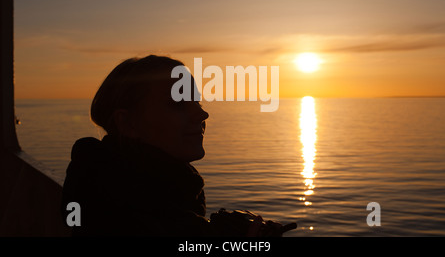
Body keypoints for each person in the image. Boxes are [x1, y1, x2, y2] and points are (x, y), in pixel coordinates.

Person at [61, 55, 285, 236]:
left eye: (196, 101)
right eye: (178, 103)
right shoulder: (133, 217)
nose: (202, 113)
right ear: (128, 123)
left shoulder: (106, 189)